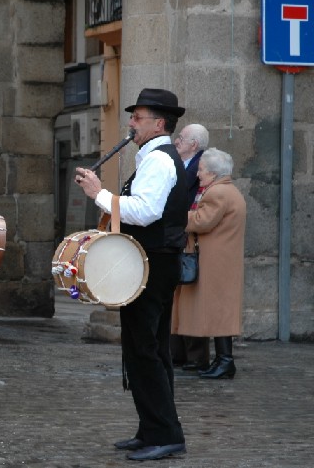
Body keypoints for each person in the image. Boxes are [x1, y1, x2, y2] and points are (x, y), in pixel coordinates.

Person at [74, 88, 188, 461]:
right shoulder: (154, 157)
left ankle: (166, 433)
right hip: (152, 262)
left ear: (159, 123)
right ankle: (151, 429)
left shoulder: (160, 161)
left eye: (137, 118)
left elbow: (146, 211)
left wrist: (99, 194)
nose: (131, 123)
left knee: (144, 350)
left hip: (153, 264)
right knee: (147, 348)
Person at [172, 148, 246, 380]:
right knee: (219, 312)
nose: (198, 174)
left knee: (218, 312)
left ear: (213, 173)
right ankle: (222, 360)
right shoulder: (226, 190)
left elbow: (202, 221)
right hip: (221, 259)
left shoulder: (218, 193)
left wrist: (174, 215)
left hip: (216, 261)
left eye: (202, 170)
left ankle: (225, 361)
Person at [170, 123, 210, 371]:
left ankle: (193, 355)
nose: (176, 141)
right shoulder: (182, 163)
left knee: (190, 299)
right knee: (177, 299)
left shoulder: (200, 167)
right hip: (178, 238)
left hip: (188, 242)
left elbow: (198, 212)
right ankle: (177, 352)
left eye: (181, 138)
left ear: (194, 144)